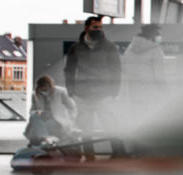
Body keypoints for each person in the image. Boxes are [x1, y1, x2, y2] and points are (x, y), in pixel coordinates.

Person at [64, 16, 124, 158]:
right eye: (95, 27)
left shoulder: (109, 47)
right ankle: (90, 156)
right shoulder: (76, 48)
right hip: (82, 94)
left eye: (100, 27)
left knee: (110, 125)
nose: (98, 30)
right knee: (85, 128)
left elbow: (116, 69)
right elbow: (69, 70)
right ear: (86, 28)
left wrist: (114, 91)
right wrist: (71, 91)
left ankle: (119, 153)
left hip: (104, 94)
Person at [121, 23, 166, 109]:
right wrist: (165, 91)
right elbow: (159, 75)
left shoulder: (130, 48)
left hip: (133, 90)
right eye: (158, 34)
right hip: (151, 92)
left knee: (137, 116)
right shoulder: (156, 50)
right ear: (152, 35)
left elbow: (124, 67)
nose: (160, 37)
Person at [24, 75, 78, 146]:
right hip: (42, 119)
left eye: (46, 90)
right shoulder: (35, 95)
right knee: (34, 118)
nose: (44, 92)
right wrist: (38, 112)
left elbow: (72, 106)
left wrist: (71, 119)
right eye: (42, 90)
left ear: (50, 87)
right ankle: (45, 139)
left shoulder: (61, 92)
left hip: (57, 120)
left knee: (37, 132)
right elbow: (32, 111)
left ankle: (44, 138)